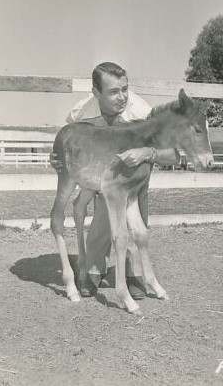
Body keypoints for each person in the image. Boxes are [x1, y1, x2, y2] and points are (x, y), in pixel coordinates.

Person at [50, 62, 180, 299]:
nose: (121, 97)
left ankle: (133, 272)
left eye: (125, 89)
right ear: (96, 93)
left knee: (135, 199)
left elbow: (174, 153)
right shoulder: (81, 114)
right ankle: (94, 267)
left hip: (134, 167)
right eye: (113, 92)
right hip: (99, 166)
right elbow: (69, 144)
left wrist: (148, 153)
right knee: (102, 198)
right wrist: (58, 158)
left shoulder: (141, 112)